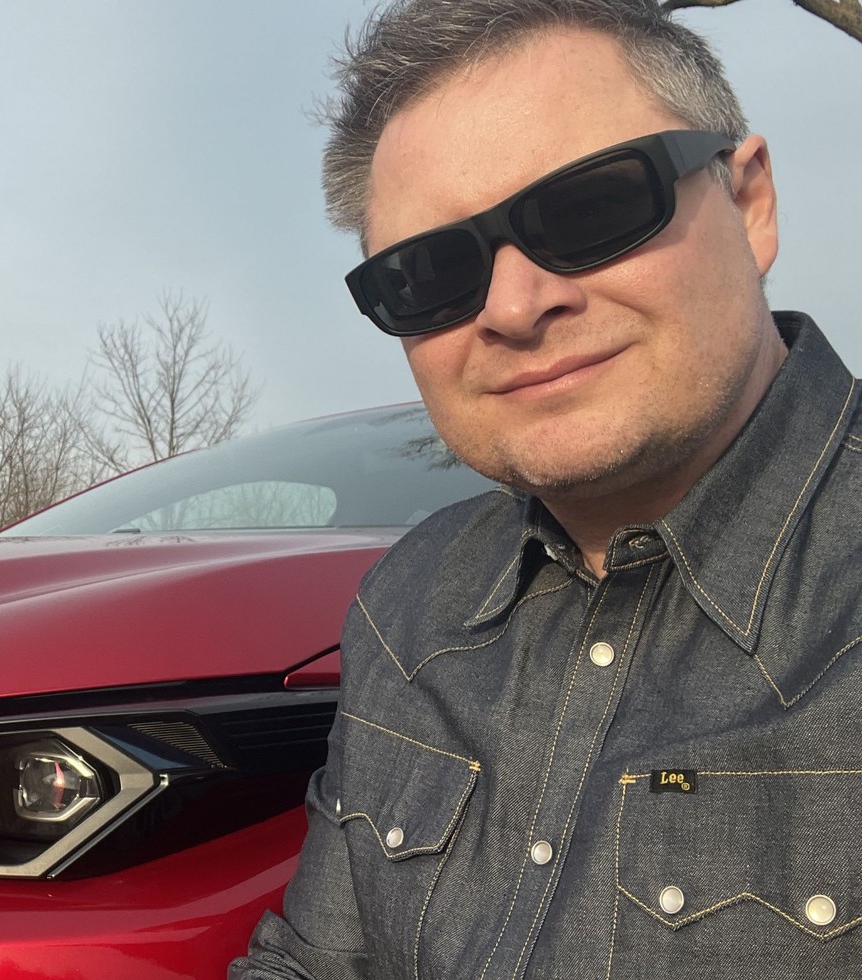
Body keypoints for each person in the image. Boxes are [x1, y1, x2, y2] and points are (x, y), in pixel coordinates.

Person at [231, 0, 862, 977]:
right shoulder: (407, 606)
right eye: (431, 271)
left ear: (750, 205)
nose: (516, 306)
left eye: (592, 210)